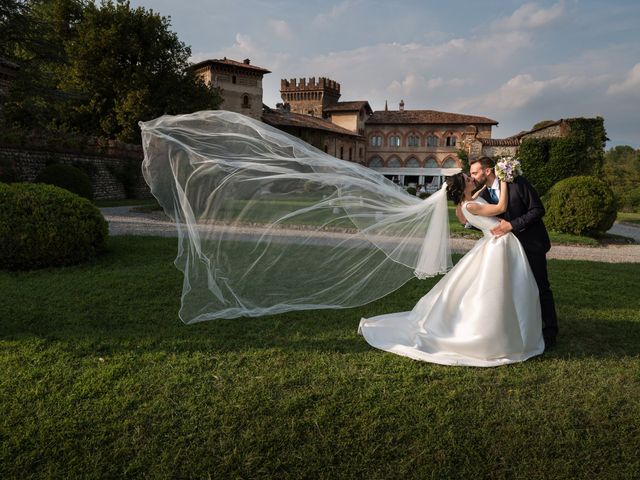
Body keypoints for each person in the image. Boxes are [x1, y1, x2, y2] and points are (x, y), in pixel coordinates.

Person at [358, 172, 545, 366]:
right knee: (495, 289)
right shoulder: (470, 205)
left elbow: (477, 195)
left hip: (499, 243)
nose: (472, 179)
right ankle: (495, 332)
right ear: (462, 187)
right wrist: (504, 181)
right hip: (497, 244)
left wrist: (489, 181)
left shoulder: (469, 201)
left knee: (509, 286)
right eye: (467, 179)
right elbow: (501, 207)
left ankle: (514, 325)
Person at [469, 157, 558, 347]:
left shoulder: (517, 183)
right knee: (515, 289)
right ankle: (523, 328)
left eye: (475, 173)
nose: (473, 177)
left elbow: (537, 210)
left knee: (540, 287)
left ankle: (550, 332)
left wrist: (513, 225)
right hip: (506, 248)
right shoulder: (483, 194)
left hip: (531, 244)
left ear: (487, 171)